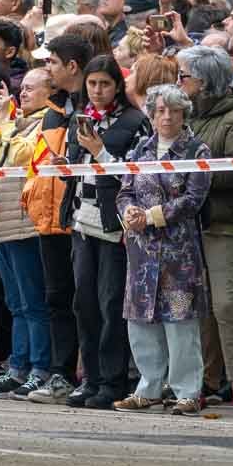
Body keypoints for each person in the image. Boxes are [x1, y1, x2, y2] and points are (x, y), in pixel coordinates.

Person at [113, 84, 212, 415]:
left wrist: (152, 217)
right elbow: (125, 190)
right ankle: (148, 387)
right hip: (141, 254)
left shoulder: (197, 150)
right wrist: (128, 212)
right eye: (159, 111)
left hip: (178, 253)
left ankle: (187, 391)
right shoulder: (141, 149)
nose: (166, 116)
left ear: (184, 113)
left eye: (173, 110)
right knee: (141, 321)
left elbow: (193, 200)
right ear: (151, 115)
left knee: (181, 322)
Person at [59, 55, 152, 409]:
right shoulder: (79, 121)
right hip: (82, 221)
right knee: (84, 303)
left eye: (105, 84)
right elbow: (76, 168)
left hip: (114, 226)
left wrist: (100, 151)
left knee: (110, 302)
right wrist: (64, 166)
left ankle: (113, 380)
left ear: (117, 86)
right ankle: (91, 378)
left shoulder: (134, 122)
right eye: (92, 84)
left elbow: (134, 178)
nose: (97, 91)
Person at [175, 46, 233, 409]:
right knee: (197, 307)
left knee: (227, 304)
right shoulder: (185, 116)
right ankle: (203, 381)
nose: (179, 83)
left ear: (204, 81)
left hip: (225, 222)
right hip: (190, 222)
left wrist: (195, 173)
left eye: (184, 76)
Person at [0, 68, 57, 401]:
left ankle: (39, 368)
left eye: (30, 89)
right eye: (21, 89)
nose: (22, 94)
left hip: (25, 220)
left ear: (49, 92)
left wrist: (7, 119)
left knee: (32, 300)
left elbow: (22, 155)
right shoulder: (16, 121)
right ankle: (18, 367)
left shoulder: (47, 122)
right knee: (15, 302)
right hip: (1, 218)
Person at [21, 33, 93, 404]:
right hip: (50, 217)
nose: (46, 68)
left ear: (71, 66)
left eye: (51, 62)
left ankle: (93, 375)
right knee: (56, 298)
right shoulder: (53, 109)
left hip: (84, 216)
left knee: (88, 300)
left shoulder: (93, 104)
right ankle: (60, 373)